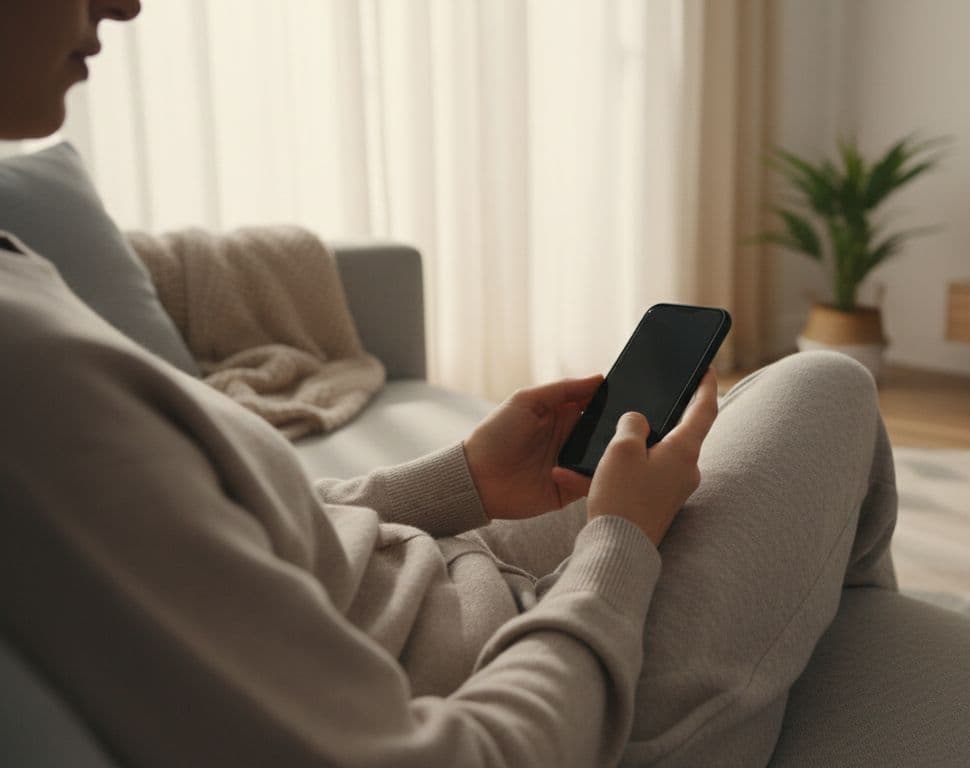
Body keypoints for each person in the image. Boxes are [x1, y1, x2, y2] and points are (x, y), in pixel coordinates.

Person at [0, 1, 897, 766]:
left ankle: (848, 665)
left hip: (452, 602)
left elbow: (221, 526)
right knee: (823, 389)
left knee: (718, 432)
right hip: (558, 704)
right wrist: (619, 542)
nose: (124, 5)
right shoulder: (26, 381)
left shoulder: (18, 285)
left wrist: (463, 479)